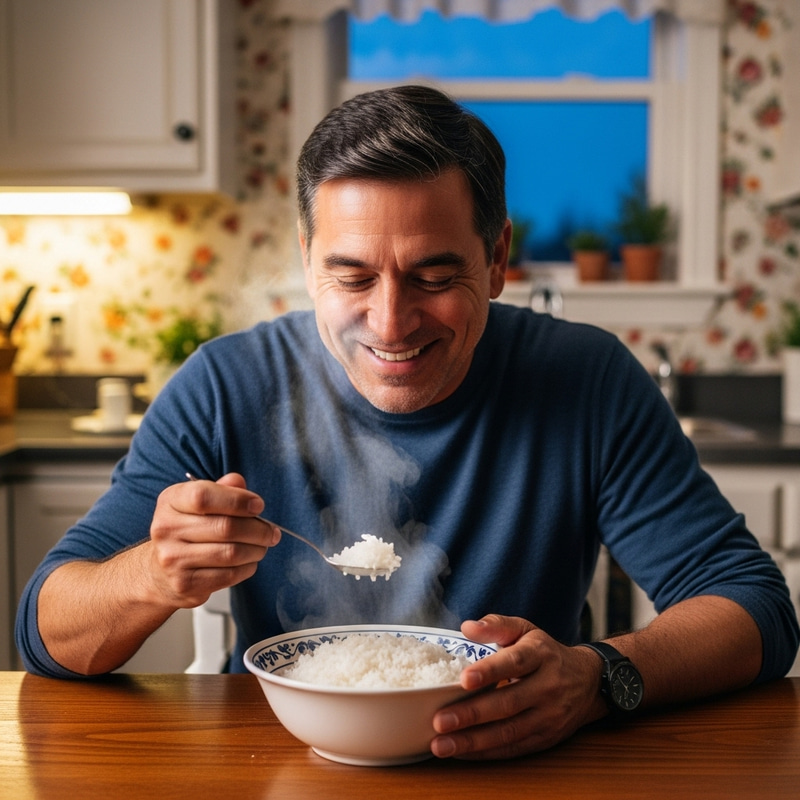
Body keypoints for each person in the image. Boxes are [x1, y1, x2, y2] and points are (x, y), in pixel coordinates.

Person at [16, 85, 799, 760]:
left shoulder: (586, 378)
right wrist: (152, 573)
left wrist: (598, 677)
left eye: (433, 275)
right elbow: (45, 633)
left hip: (524, 769)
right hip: (277, 762)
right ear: (308, 259)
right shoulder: (226, 384)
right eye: (352, 276)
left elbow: (753, 606)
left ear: (497, 258)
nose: (390, 323)